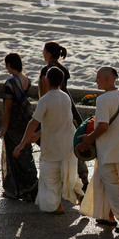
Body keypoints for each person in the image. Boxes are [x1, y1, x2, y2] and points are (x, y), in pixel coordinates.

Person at [13, 67, 84, 213]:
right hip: (67, 144)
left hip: (52, 148)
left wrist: (21, 144)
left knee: (49, 179)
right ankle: (78, 195)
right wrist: (39, 134)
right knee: (68, 175)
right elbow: (62, 121)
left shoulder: (45, 100)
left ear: (47, 80)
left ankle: (57, 206)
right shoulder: (65, 97)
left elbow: (33, 122)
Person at [78, 67, 119, 232]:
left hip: (108, 151)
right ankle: (109, 217)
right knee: (109, 185)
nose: (95, 81)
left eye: (97, 78)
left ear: (106, 79)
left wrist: (89, 138)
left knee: (112, 187)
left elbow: (103, 125)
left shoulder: (103, 99)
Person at [39, 41, 89, 189]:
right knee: (72, 143)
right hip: (67, 107)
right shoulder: (63, 69)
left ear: (49, 53)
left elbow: (45, 92)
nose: (43, 53)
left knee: (54, 144)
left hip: (53, 110)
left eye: (44, 51)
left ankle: (58, 179)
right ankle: (83, 175)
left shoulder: (46, 70)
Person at [0, 53, 38, 202]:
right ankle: (31, 186)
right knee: (25, 153)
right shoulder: (26, 80)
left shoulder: (10, 83)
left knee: (14, 156)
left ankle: (15, 189)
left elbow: (8, 109)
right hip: (25, 121)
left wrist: (3, 129)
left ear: (9, 65)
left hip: (13, 124)